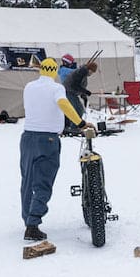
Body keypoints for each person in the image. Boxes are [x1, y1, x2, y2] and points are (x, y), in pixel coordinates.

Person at [20, 56, 93, 241]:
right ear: (54, 72)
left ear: (40, 70)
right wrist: (80, 122)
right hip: (48, 139)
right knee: (43, 182)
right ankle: (33, 224)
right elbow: (63, 103)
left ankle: (27, 217)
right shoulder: (56, 88)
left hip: (27, 137)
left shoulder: (29, 87)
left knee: (27, 180)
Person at [59, 54, 100, 133]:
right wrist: (86, 92)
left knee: (80, 109)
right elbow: (75, 85)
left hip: (72, 93)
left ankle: (75, 126)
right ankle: (74, 127)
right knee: (77, 109)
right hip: (68, 92)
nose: (91, 74)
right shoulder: (81, 72)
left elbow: (80, 86)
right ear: (89, 69)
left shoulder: (83, 72)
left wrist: (83, 95)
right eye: (92, 72)